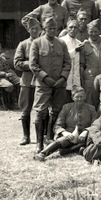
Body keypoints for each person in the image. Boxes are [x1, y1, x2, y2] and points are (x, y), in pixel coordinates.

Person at [29, 17, 71, 152]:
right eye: (49, 28)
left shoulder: (62, 44)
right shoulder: (36, 43)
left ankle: (50, 138)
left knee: (56, 111)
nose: (52, 30)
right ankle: (39, 143)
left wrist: (63, 78)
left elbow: (67, 63)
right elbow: (33, 65)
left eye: (54, 28)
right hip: (43, 85)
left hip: (59, 84)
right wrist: (45, 78)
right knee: (41, 112)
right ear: (44, 28)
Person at [33, 86, 99, 161]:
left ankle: (67, 151)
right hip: (69, 136)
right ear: (72, 97)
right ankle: (43, 154)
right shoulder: (66, 108)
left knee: (90, 142)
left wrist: (86, 131)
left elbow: (95, 124)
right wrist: (65, 133)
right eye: (77, 97)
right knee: (62, 141)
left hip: (84, 137)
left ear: (85, 97)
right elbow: (57, 126)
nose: (79, 99)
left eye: (82, 96)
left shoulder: (91, 109)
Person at [14, 18, 41, 145]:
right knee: (25, 109)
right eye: (32, 29)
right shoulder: (23, 44)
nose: (34, 31)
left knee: (42, 109)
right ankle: (26, 136)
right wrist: (31, 64)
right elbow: (17, 63)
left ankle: (42, 136)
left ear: (40, 29)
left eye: (36, 28)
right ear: (28, 30)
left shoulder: (44, 43)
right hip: (27, 80)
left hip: (41, 80)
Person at [80, 19, 101, 105]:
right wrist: (81, 80)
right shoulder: (84, 45)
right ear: (88, 31)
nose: (94, 34)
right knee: (89, 102)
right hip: (90, 78)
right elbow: (81, 64)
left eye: (96, 31)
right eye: (91, 32)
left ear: (100, 31)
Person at [59, 18, 82, 103]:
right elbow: (62, 58)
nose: (73, 29)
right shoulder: (61, 41)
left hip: (75, 79)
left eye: (75, 27)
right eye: (71, 27)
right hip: (64, 78)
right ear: (67, 28)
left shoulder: (79, 42)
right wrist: (75, 50)